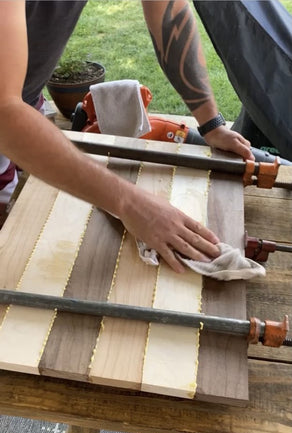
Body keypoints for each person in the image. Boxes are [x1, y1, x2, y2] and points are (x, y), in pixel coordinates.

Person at [0, 0, 253, 273]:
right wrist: (129, 203)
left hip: (21, 105)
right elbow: (4, 113)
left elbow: (169, 14)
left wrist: (211, 124)